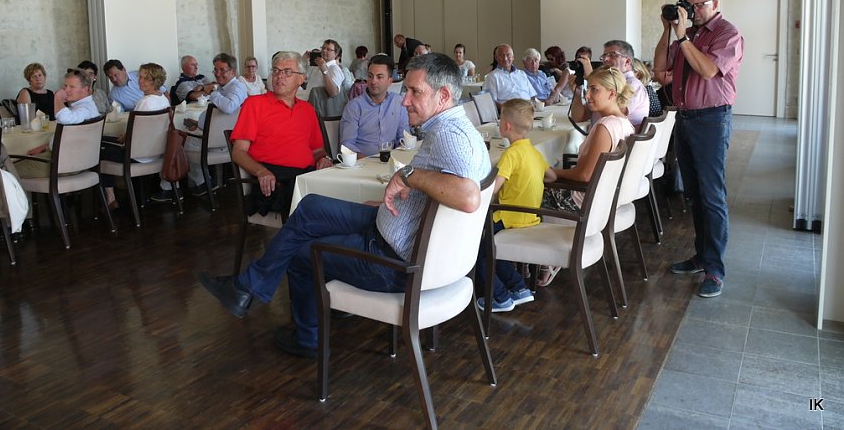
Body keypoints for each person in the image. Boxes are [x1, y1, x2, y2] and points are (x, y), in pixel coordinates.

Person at [198, 53, 490, 359]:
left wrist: (409, 175)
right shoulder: (460, 131)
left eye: (415, 92)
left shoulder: (450, 138)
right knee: (310, 207)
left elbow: (469, 197)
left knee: (300, 253)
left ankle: (306, 336)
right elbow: (475, 190)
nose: (405, 101)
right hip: (395, 229)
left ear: (443, 96)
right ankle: (248, 287)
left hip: (392, 259)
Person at [654, 0, 743, 298]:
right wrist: (668, 30)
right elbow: (659, 70)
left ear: (715, 3)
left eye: (699, 4)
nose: (693, 11)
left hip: (711, 120)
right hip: (685, 118)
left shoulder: (727, 34)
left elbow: (707, 70)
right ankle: (701, 256)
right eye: (689, 5)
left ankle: (715, 270)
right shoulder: (686, 33)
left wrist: (682, 38)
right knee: (694, 194)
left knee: (712, 197)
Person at [538, 66, 636, 286]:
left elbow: (584, 175)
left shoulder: (605, 127)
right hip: (600, 201)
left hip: (581, 203)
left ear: (612, 94)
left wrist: (551, 173)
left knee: (522, 192)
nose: (588, 95)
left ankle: (541, 258)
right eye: (588, 89)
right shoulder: (624, 123)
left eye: (594, 89)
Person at [226, 51, 333, 216]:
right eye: (276, 71)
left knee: (342, 196)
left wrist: (324, 159)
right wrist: (261, 172)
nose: (279, 76)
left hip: (306, 178)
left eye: (287, 72)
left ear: (301, 78)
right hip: (274, 181)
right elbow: (238, 152)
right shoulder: (255, 104)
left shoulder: (307, 110)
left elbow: (317, 151)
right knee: (319, 209)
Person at [476, 99, 547, 312]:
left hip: (508, 217)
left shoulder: (510, 154)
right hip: (531, 216)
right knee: (491, 250)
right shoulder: (534, 152)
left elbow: (493, 189)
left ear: (506, 125)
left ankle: (499, 297)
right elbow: (551, 175)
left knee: (478, 251)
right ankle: (519, 287)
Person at [153, 53, 248, 200]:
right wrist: (199, 124)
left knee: (175, 142)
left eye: (222, 70)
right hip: (215, 137)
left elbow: (229, 107)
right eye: (215, 70)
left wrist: (213, 93)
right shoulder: (224, 88)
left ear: (233, 72)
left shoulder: (236, 88)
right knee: (183, 135)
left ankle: (170, 188)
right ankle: (202, 182)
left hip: (221, 142)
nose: (218, 73)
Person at [101, 62, 170, 209]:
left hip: (138, 155)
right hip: (157, 152)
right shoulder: (164, 100)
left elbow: (135, 133)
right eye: (140, 77)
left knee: (100, 151)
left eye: (146, 78)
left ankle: (110, 197)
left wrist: (125, 137)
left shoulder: (144, 102)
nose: (141, 81)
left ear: (156, 81)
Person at [20, 69, 101, 173]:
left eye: (72, 87)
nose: (66, 90)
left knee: (11, 169)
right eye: (65, 86)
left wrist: (57, 97)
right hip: (77, 161)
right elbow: (71, 136)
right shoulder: (86, 107)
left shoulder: (84, 110)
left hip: (66, 164)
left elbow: (64, 118)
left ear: (85, 89)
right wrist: (45, 146)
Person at [340, 54, 409, 158]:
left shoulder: (398, 102)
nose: (373, 81)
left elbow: (404, 138)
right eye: (370, 76)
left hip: (391, 161)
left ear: (390, 81)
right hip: (363, 163)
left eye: (379, 77)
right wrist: (368, 162)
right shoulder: (354, 107)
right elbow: (347, 145)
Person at [570, 40, 649, 130]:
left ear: (627, 61)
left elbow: (617, 114)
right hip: (601, 133)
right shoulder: (605, 85)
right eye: (604, 56)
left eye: (612, 55)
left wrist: (592, 77)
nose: (606, 59)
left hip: (616, 137)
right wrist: (577, 94)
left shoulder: (633, 85)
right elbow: (578, 118)